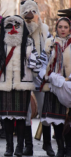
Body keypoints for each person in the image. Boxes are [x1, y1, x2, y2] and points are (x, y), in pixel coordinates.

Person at [0, 15, 42, 156]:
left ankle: (19, 147)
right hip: (5, 85)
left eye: (17, 25)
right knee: (6, 117)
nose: (13, 29)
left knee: (20, 118)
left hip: (22, 84)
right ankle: (9, 147)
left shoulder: (29, 43)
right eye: (9, 26)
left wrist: (33, 59)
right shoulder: (2, 43)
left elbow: (36, 67)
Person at [19, 0, 53, 156]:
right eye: (27, 15)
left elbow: (51, 51)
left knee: (44, 110)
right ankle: (28, 146)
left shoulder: (45, 31)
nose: (30, 18)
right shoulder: (19, 31)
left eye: (33, 14)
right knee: (25, 111)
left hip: (41, 76)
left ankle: (47, 144)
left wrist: (44, 69)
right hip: (25, 74)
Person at [36, 17, 71, 157]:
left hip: (68, 87)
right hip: (53, 86)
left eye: (65, 27)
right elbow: (42, 63)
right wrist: (47, 76)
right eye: (60, 27)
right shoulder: (50, 43)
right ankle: (60, 148)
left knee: (68, 119)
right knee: (57, 121)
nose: (62, 29)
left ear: (69, 28)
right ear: (56, 28)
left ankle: (69, 148)